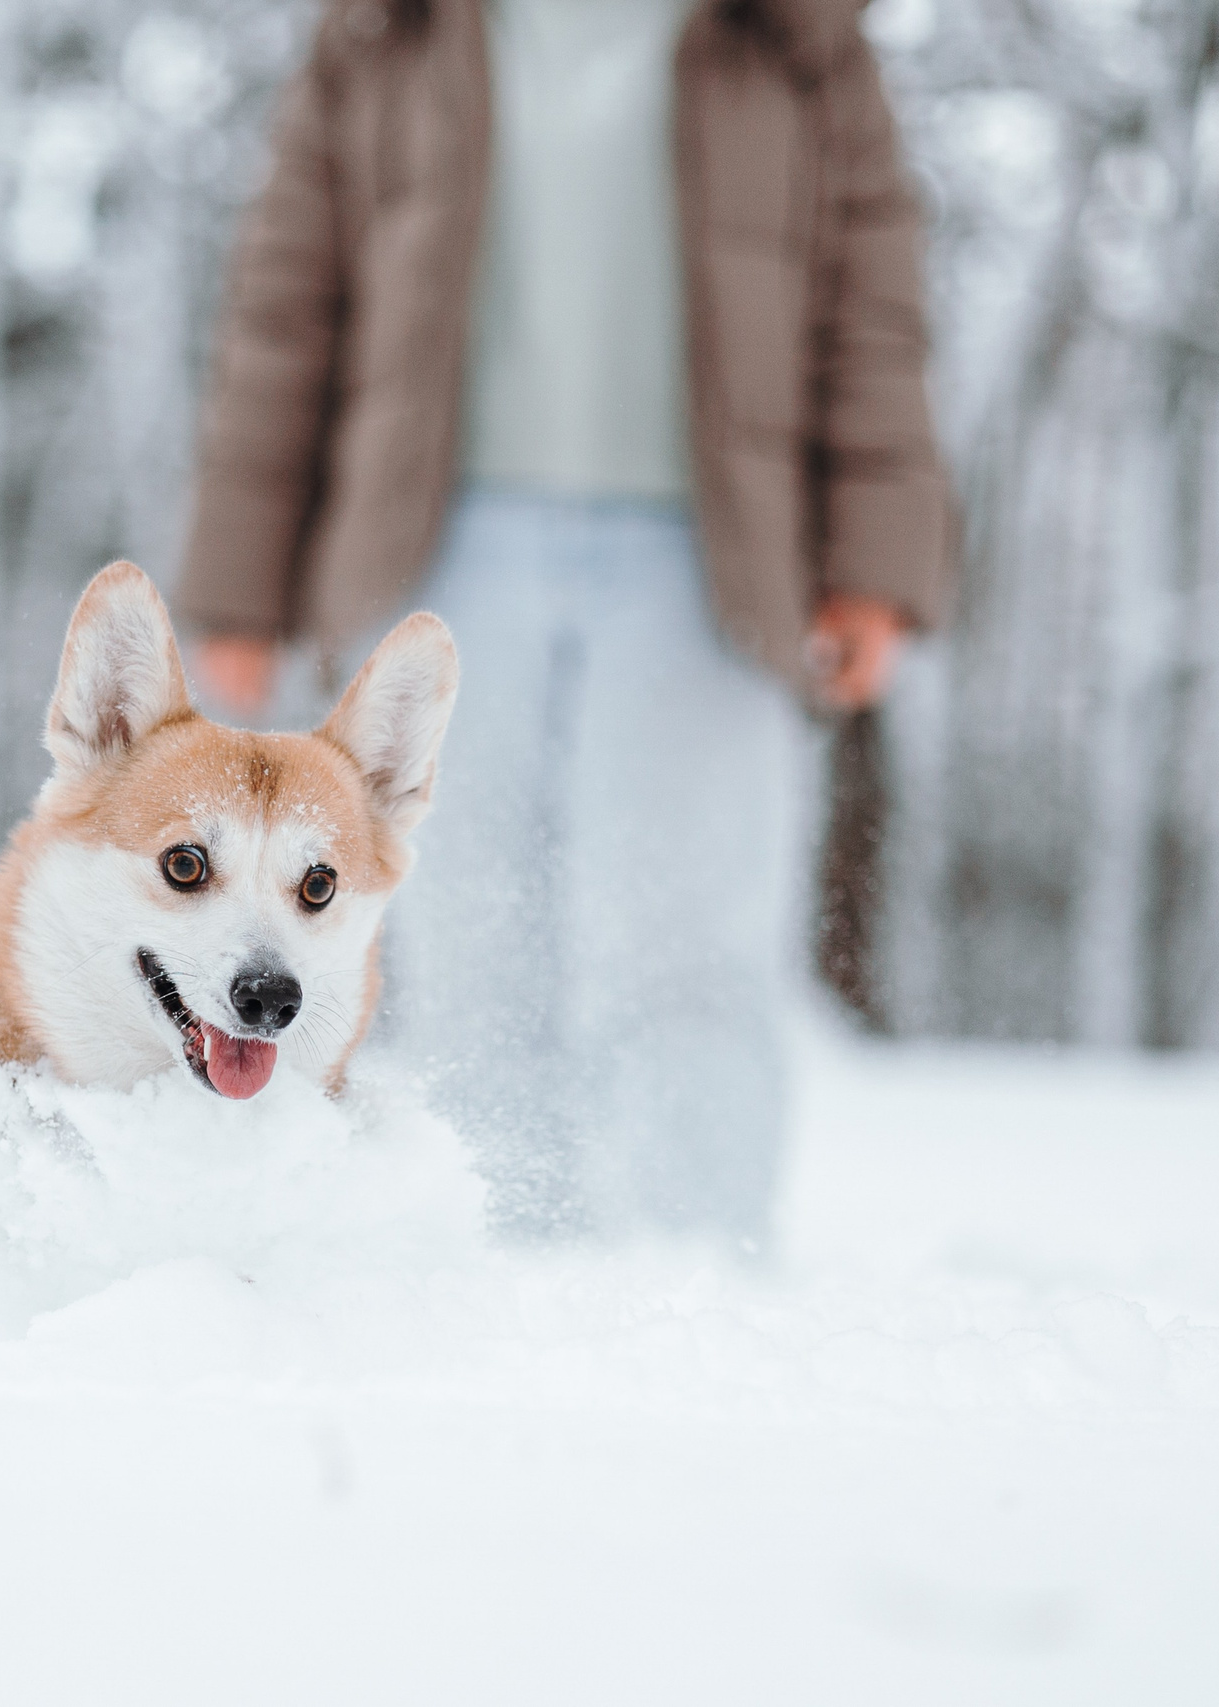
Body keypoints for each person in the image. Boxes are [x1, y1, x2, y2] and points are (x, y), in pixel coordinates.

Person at [172, 0, 952, 1242]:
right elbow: (289, 294)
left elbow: (873, 301)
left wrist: (874, 563)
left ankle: (699, 1274)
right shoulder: (385, 30)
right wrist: (239, 584)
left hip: (710, 563)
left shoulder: (793, 37)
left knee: (689, 942)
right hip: (441, 550)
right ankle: (510, 1262)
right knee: (473, 940)